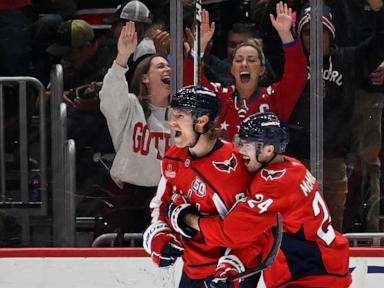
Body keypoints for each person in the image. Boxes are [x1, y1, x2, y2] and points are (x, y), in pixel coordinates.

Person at [169, 112, 352, 288]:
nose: (240, 150)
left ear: (268, 149)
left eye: (247, 144)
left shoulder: (275, 183)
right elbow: (263, 232)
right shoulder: (292, 166)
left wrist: (187, 219)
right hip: (322, 271)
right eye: (240, 142)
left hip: (311, 276)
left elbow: (231, 232)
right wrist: (234, 264)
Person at [143, 85, 259, 287]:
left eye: (180, 116)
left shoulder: (236, 167)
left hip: (231, 274)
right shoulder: (173, 158)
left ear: (202, 121)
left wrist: (233, 266)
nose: (172, 122)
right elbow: (161, 204)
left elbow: (253, 230)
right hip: (193, 269)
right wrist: (160, 234)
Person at [286, 0, 384, 231]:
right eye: (308, 32)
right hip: (296, 162)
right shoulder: (291, 63)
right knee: (297, 229)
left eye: (321, 30)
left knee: (332, 231)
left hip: (334, 162)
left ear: (331, 32)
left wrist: (378, 10)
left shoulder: (348, 60)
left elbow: (379, 42)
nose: (315, 37)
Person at [184, 2, 307, 142]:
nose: (244, 64)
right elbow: (191, 85)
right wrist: (199, 47)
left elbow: (298, 76)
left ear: (262, 69)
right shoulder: (220, 98)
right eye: (239, 60)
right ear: (232, 69)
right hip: (224, 164)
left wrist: (286, 35)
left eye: (251, 60)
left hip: (262, 164)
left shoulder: (274, 99)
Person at [99, 21, 172, 234]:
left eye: (169, 66)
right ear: (145, 77)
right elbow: (109, 95)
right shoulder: (130, 106)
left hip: (169, 198)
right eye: (160, 66)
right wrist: (122, 58)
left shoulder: (181, 115)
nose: (167, 68)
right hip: (130, 199)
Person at [103, 0, 156, 84]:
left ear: (134, 26)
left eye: (116, 24)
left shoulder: (146, 51)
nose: (111, 29)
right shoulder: (133, 49)